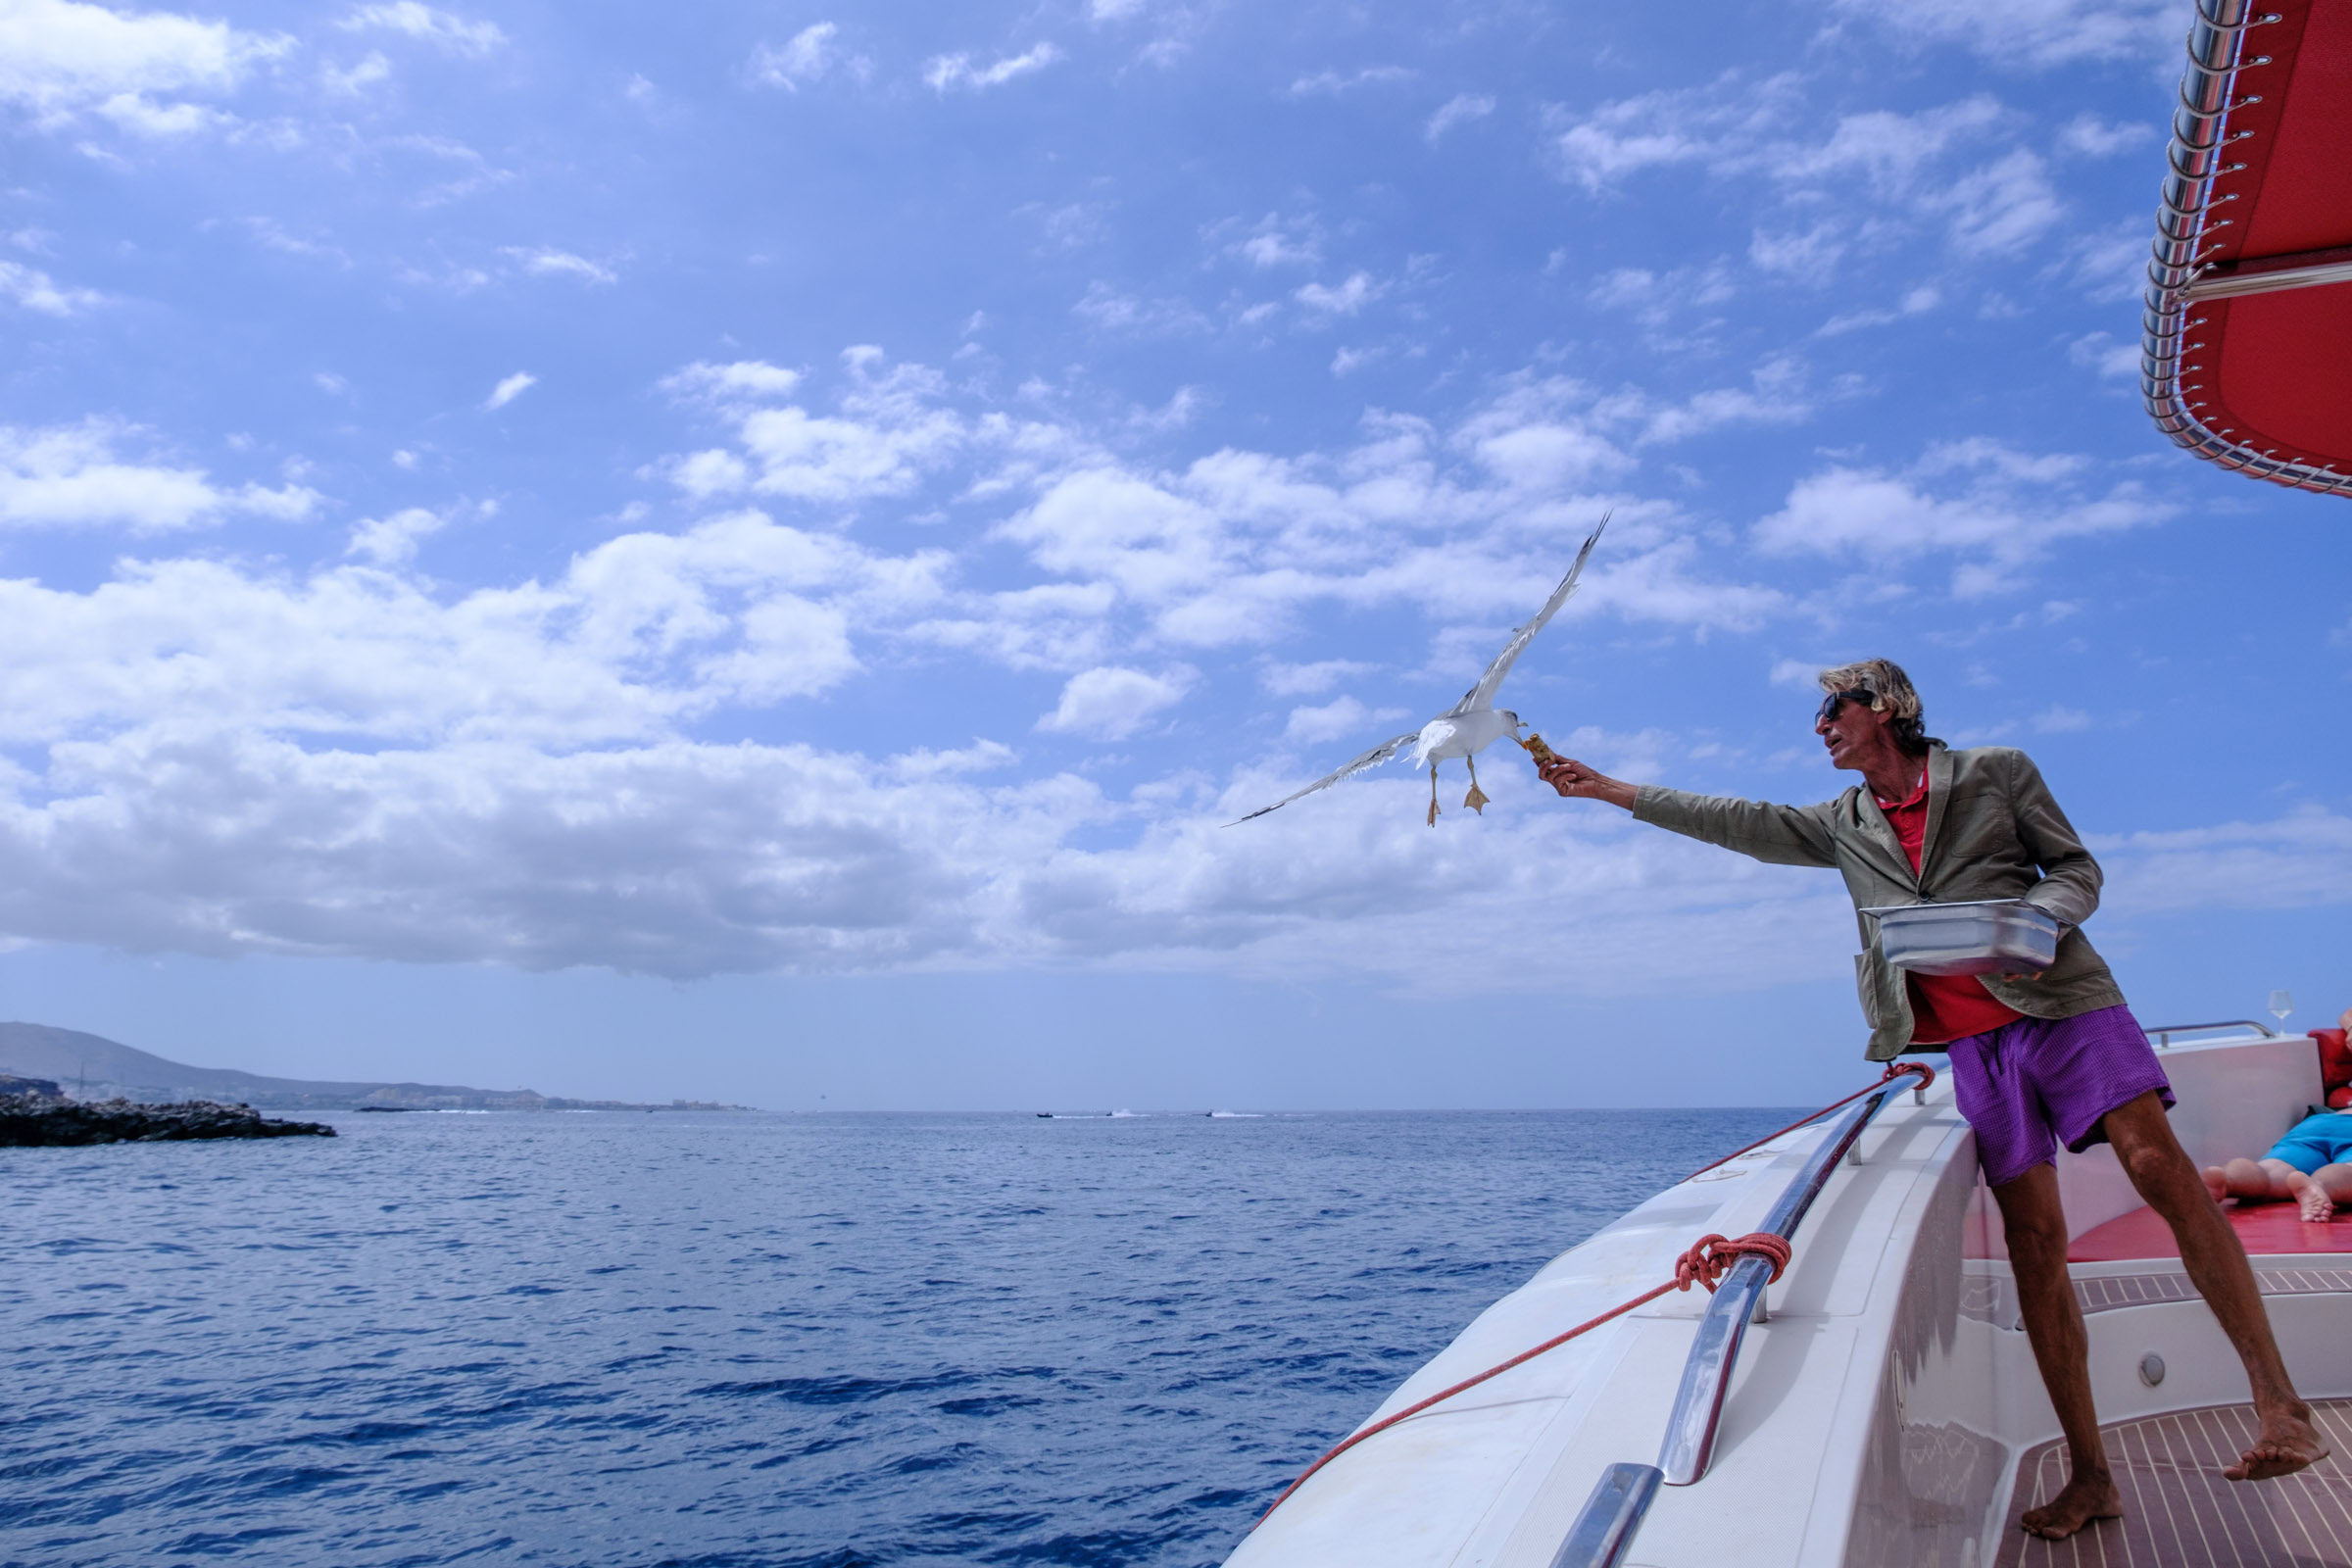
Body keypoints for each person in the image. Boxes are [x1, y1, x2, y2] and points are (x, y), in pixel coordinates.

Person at [1536, 659, 2327, 1542]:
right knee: (2033, 1245)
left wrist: (2038, 921)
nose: (1819, 726)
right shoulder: (1842, 823)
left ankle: (2280, 1405)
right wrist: (1608, 791)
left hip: (2065, 1006)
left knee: (2157, 1168)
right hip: (1973, 1049)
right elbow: (1740, 823)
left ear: (1882, 709)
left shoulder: (1997, 771)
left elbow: (2076, 870)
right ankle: (2092, 1476)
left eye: (1830, 708)